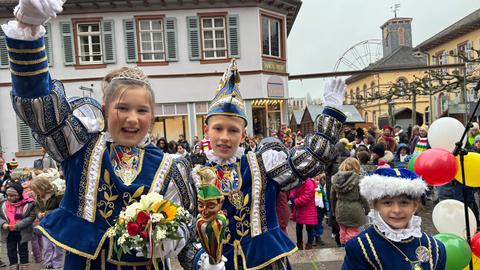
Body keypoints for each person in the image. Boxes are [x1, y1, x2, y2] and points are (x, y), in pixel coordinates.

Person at [3, 2, 198, 268]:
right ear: (105, 110)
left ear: (152, 115)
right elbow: (41, 107)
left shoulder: (170, 165)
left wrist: (186, 246)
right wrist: (28, 33)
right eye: (122, 108)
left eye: (142, 110)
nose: (132, 118)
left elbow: (188, 226)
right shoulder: (80, 147)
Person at [192, 60, 348, 269]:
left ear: (243, 134)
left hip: (266, 262)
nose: (224, 137)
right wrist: (199, 260)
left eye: (233, 130)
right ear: (206, 129)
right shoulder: (191, 170)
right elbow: (183, 230)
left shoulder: (261, 164)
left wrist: (332, 111)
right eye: (218, 128)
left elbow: (311, 160)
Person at [342, 168, 446, 270]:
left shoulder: (435, 248)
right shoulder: (360, 247)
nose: (396, 210)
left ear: (414, 206)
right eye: (387, 203)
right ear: (375, 205)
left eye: (404, 202)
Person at [29, 170, 65, 270]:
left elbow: (62, 209)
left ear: (43, 187)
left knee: (57, 246)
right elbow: (36, 207)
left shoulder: (58, 194)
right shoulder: (39, 196)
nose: (36, 193)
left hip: (56, 225)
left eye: (37, 190)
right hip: (44, 224)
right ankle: (48, 264)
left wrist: (48, 213)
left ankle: (57, 265)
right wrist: (38, 213)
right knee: (46, 246)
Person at [331, 158, 369, 246]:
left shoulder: (335, 179)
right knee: (353, 231)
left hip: (340, 207)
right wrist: (366, 208)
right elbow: (362, 196)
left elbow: (332, 196)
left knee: (342, 230)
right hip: (354, 209)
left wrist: (333, 210)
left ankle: (343, 246)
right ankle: (350, 248)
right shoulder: (358, 179)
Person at [0, 182, 36, 270]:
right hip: (9, 233)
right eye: (8, 195)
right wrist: (3, 224)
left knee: (23, 251)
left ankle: (24, 267)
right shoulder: (3, 204)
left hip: (22, 232)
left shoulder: (28, 204)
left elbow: (31, 217)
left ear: (18, 195)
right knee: (11, 251)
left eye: (12, 196)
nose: (9, 197)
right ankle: (13, 267)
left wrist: (18, 225)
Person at [290, 177, 317, 250]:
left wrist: (295, 201)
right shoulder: (297, 180)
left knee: (309, 228)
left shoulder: (308, 182)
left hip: (308, 209)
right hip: (299, 209)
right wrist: (292, 196)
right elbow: (292, 190)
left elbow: (308, 196)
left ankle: (309, 245)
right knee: (298, 227)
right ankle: (299, 245)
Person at [313, 173, 329, 246]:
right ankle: (312, 238)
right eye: (315, 175)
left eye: (318, 175)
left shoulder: (320, 185)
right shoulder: (310, 184)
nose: (317, 176)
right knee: (312, 224)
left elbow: (324, 196)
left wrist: (326, 207)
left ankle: (318, 237)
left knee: (319, 222)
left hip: (320, 208)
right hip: (312, 208)